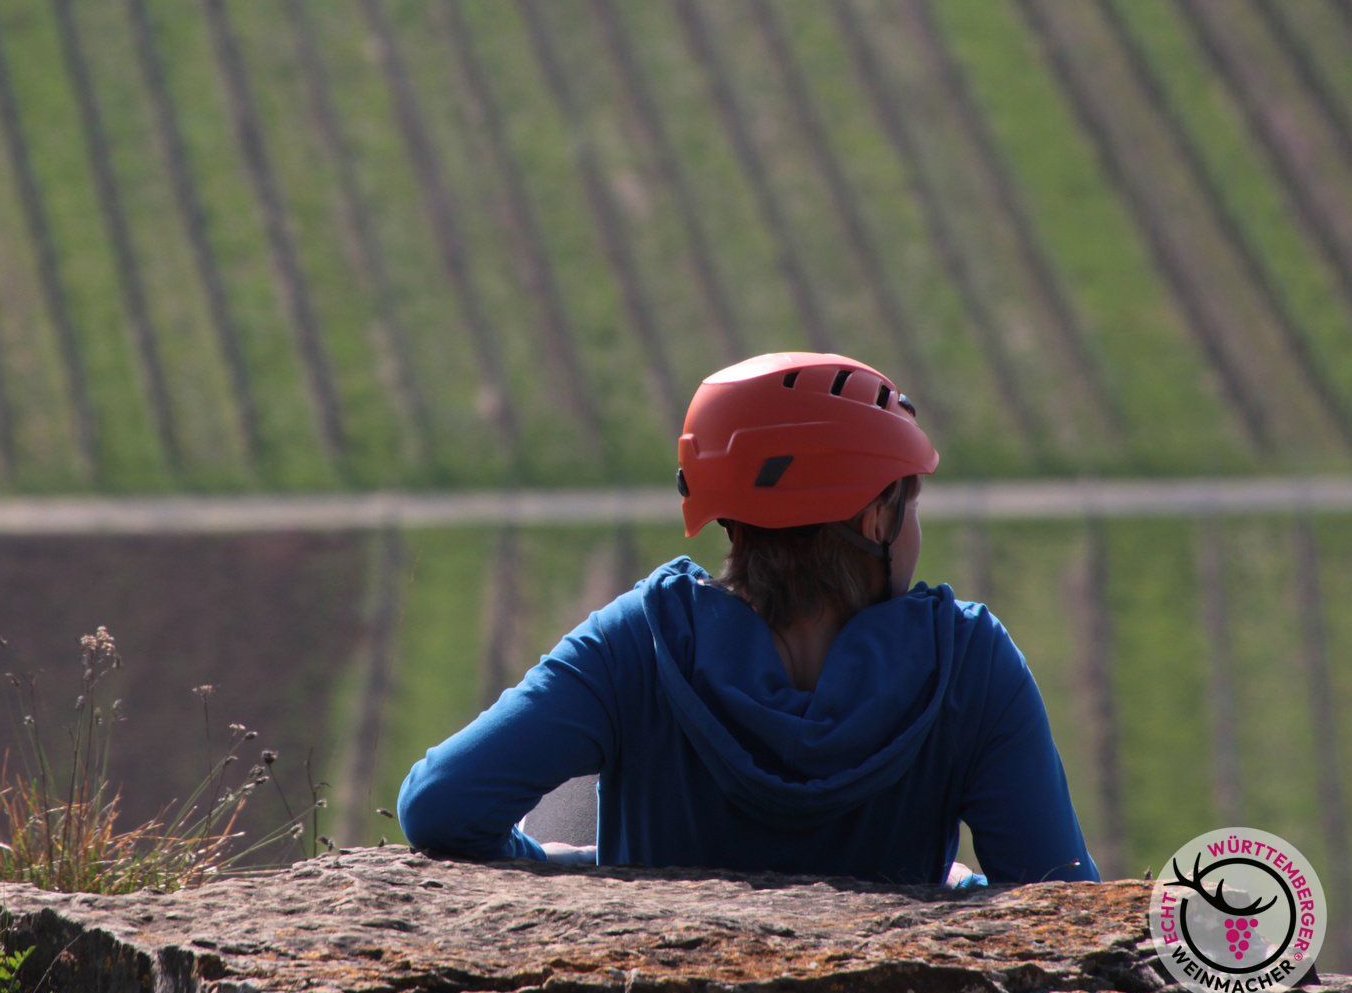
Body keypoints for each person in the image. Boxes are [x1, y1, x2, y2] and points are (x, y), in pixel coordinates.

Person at [396, 352, 1098, 885]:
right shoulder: (970, 665)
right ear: (874, 519)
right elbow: (1058, 894)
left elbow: (440, 804)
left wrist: (581, 868)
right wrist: (954, 889)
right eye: (908, 504)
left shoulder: (642, 642)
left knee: (578, 793)